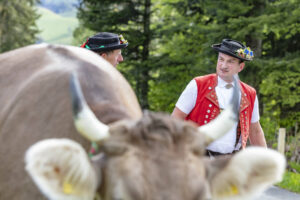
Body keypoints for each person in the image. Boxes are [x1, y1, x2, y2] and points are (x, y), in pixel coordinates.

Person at [172, 39, 267, 157]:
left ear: (241, 67)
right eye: (221, 59)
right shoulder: (198, 85)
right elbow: (175, 120)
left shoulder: (250, 94)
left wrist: (266, 162)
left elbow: (255, 131)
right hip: (198, 159)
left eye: (230, 61)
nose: (223, 65)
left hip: (232, 161)